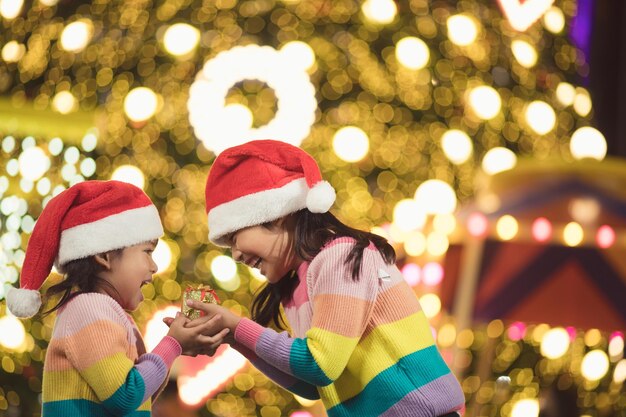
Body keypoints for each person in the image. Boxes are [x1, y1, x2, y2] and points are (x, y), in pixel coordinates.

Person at [184, 140, 465, 416]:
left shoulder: (339, 258)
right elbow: (312, 385)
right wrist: (233, 337)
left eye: (235, 238)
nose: (235, 255)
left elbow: (320, 364)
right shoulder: (295, 287)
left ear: (277, 215)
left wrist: (238, 325)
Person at [6, 180, 228, 416]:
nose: (154, 266)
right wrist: (172, 344)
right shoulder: (89, 309)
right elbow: (126, 396)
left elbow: (139, 398)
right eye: (147, 252)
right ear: (105, 255)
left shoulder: (106, 313)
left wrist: (176, 347)